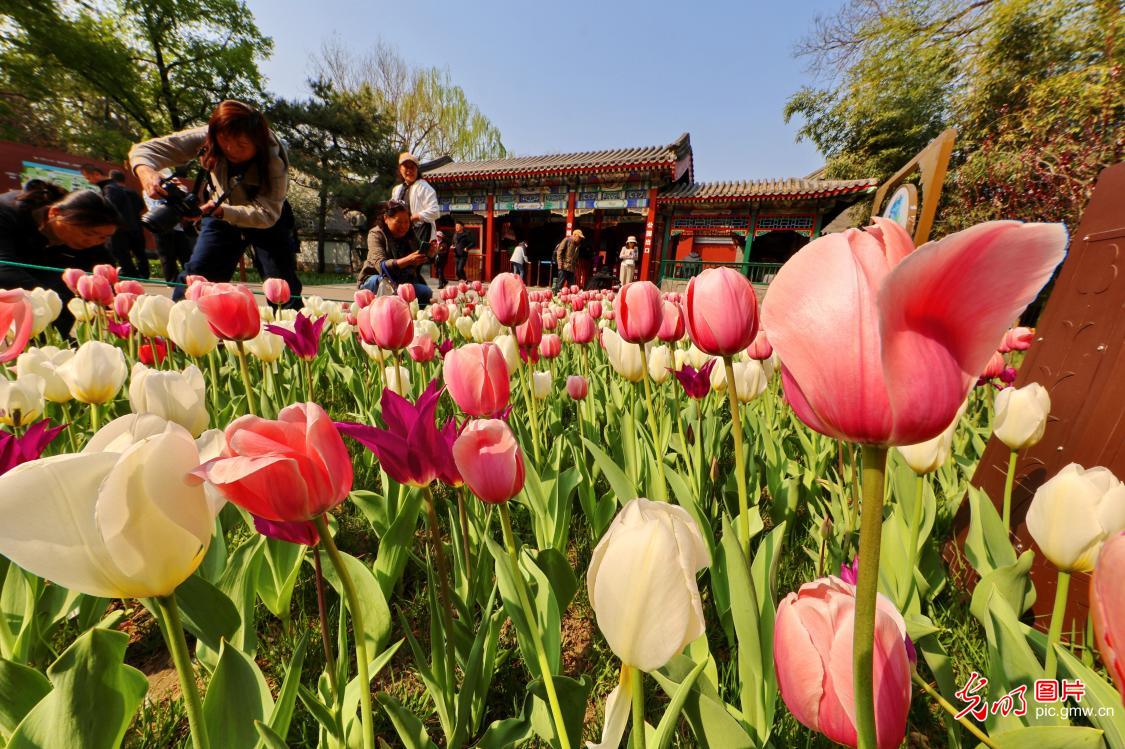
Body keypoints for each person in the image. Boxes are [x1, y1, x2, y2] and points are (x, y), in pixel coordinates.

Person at [128, 99, 302, 306]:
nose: (231, 149)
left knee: (283, 287)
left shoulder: (274, 160)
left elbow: (267, 214)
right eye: (224, 140)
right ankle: (181, 330)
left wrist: (222, 211)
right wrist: (147, 173)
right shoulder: (209, 137)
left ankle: (292, 334)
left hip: (266, 218)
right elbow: (143, 150)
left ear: (258, 142)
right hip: (219, 213)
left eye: (242, 144)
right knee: (199, 278)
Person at [0, 183, 120, 334]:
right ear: (55, 213)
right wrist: (59, 303)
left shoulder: (82, 234)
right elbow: (5, 270)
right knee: (54, 298)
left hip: (38, 261)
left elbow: (104, 273)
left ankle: (55, 340)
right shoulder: (6, 212)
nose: (93, 242)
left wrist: (115, 306)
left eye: (104, 237)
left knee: (67, 285)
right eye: (88, 234)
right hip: (8, 269)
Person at [357, 199, 432, 307]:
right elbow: (381, 266)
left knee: (425, 292)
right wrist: (408, 260)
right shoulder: (376, 234)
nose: (403, 226)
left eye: (406, 222)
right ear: (386, 218)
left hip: (401, 282)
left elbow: (419, 254)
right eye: (399, 221)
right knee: (381, 283)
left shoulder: (410, 235)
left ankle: (412, 319)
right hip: (376, 279)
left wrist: (430, 253)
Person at [80, 163, 149, 278]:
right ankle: (141, 274)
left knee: (121, 252)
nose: (88, 181)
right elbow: (141, 208)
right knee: (138, 253)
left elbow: (109, 208)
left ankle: (131, 275)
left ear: (96, 174)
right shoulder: (117, 189)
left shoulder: (110, 189)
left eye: (88, 177)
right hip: (134, 226)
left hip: (120, 228)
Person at [144, 167, 196, 282]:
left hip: (177, 226)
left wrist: (178, 192)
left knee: (185, 255)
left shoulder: (180, 188)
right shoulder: (150, 190)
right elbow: (154, 208)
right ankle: (173, 282)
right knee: (167, 256)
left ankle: (191, 279)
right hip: (161, 225)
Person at [390, 152, 439, 247]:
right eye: (406, 167)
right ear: (400, 169)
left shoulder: (424, 187)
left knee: (418, 259)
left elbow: (435, 211)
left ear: (417, 169)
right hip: (401, 233)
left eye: (412, 167)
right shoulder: (397, 190)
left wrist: (413, 217)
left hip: (420, 232)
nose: (409, 170)